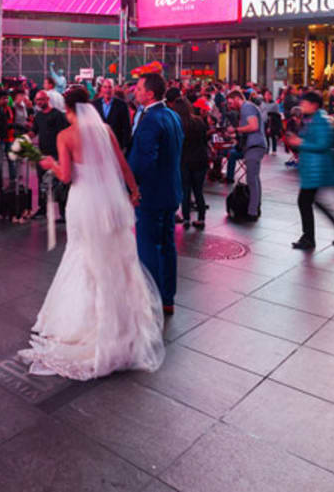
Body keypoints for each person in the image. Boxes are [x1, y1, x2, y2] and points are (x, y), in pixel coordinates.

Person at [20, 85, 165, 380]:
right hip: (110, 203)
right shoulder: (105, 130)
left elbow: (67, 175)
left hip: (84, 203)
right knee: (114, 258)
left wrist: (47, 162)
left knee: (82, 255)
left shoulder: (66, 136)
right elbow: (123, 165)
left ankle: (85, 325)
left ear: (68, 110)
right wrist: (134, 191)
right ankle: (123, 326)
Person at [127, 73, 183, 315]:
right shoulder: (172, 115)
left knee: (148, 246)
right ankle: (167, 296)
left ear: (149, 93)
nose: (135, 92)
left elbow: (144, 160)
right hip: (170, 190)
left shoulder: (150, 119)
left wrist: (133, 187)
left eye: (139, 88)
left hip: (150, 194)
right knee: (168, 245)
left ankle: (151, 298)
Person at [288, 92, 334, 250]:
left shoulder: (321, 121)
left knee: (304, 201)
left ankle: (309, 238)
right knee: (313, 201)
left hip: (316, 169)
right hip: (312, 168)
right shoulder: (311, 119)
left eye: (304, 103)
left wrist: (300, 142)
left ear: (314, 105)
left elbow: (323, 144)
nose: (301, 106)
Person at [170, 93, 208, 230]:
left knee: (185, 191)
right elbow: (205, 140)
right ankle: (201, 218)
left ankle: (186, 218)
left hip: (184, 161)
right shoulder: (199, 121)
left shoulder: (176, 124)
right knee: (198, 191)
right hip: (200, 159)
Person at [226, 90, 266, 220]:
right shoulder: (247, 109)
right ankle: (256, 207)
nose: (230, 106)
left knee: (251, 179)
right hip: (254, 146)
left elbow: (253, 126)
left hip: (254, 146)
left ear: (237, 98)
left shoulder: (247, 107)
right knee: (254, 178)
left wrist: (236, 130)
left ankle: (252, 212)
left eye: (231, 102)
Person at [32, 89, 69, 218]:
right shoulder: (38, 116)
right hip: (42, 154)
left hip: (56, 154)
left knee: (59, 183)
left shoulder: (57, 115)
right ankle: (43, 210)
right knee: (41, 182)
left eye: (41, 99)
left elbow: (64, 134)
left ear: (47, 99)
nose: (39, 102)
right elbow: (34, 131)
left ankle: (63, 213)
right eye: (37, 100)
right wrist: (23, 140)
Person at [93, 78, 132, 152]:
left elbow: (127, 128)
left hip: (116, 146)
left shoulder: (122, 105)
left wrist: (124, 147)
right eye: (105, 87)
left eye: (110, 87)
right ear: (101, 89)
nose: (107, 90)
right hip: (98, 146)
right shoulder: (95, 104)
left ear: (114, 89)